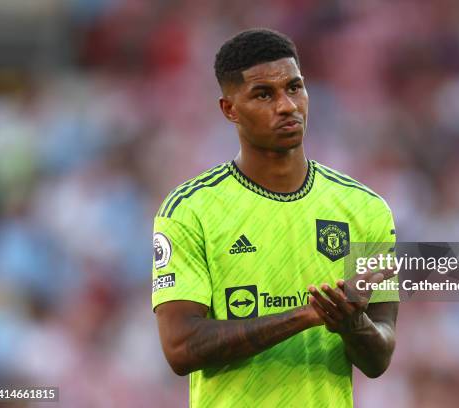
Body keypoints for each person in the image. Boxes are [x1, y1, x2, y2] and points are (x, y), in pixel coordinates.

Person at [151, 28, 399, 408]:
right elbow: (180, 348)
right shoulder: (189, 210)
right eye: (264, 94)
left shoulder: (365, 209)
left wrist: (353, 324)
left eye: (295, 88)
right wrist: (307, 316)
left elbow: (379, 358)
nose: (287, 106)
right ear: (229, 109)